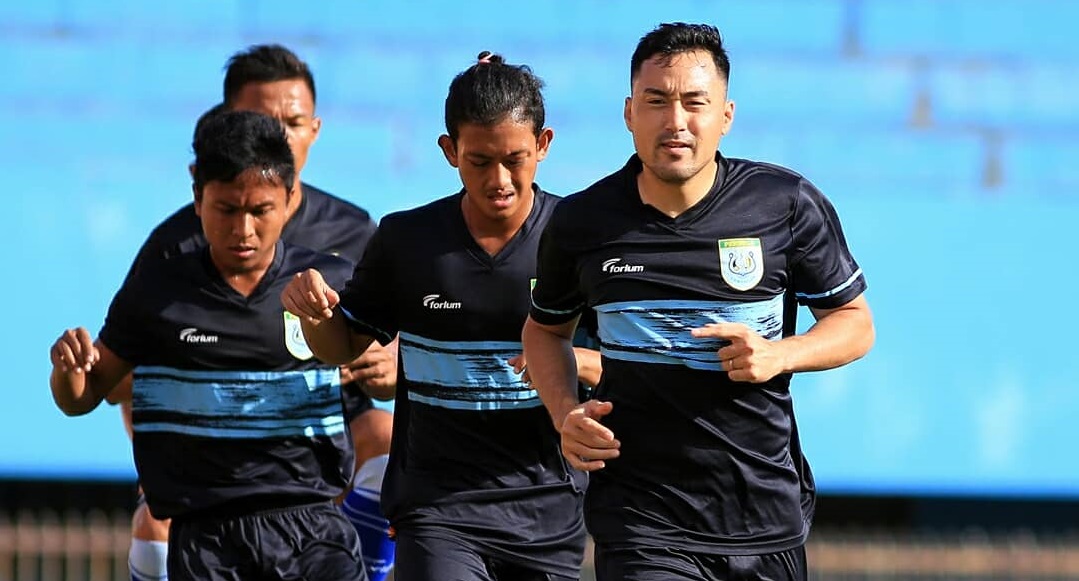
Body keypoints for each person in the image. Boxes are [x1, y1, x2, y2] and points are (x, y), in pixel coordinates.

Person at [522, 23, 876, 581]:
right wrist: (566, 413)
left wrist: (779, 354)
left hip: (764, 516)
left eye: (694, 102)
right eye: (656, 101)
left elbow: (854, 323)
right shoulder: (582, 222)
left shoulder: (783, 203)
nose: (676, 122)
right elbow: (545, 331)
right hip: (642, 520)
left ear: (725, 115)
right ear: (629, 112)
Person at [281, 52, 601, 581]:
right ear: (450, 151)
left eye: (514, 158)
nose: (499, 179)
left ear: (543, 145)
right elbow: (345, 343)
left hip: (548, 510)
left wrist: (576, 363)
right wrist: (315, 316)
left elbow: (630, 362)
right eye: (479, 161)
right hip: (437, 509)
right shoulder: (409, 240)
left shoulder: (579, 237)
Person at [107, 44, 397, 581]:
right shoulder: (172, 250)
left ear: (315, 128)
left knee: (386, 440)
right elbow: (128, 370)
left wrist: (392, 356)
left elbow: (403, 334)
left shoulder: (353, 231)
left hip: (322, 431)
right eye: (265, 122)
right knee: (155, 525)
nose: (280, 137)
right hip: (214, 456)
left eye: (294, 122)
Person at [49, 110, 367, 581]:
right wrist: (68, 369)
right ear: (198, 199)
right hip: (206, 538)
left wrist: (348, 334)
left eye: (260, 210)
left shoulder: (324, 282)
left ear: (289, 199)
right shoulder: (156, 290)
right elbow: (83, 397)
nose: (243, 230)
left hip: (313, 527)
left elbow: (379, 356)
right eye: (227, 209)